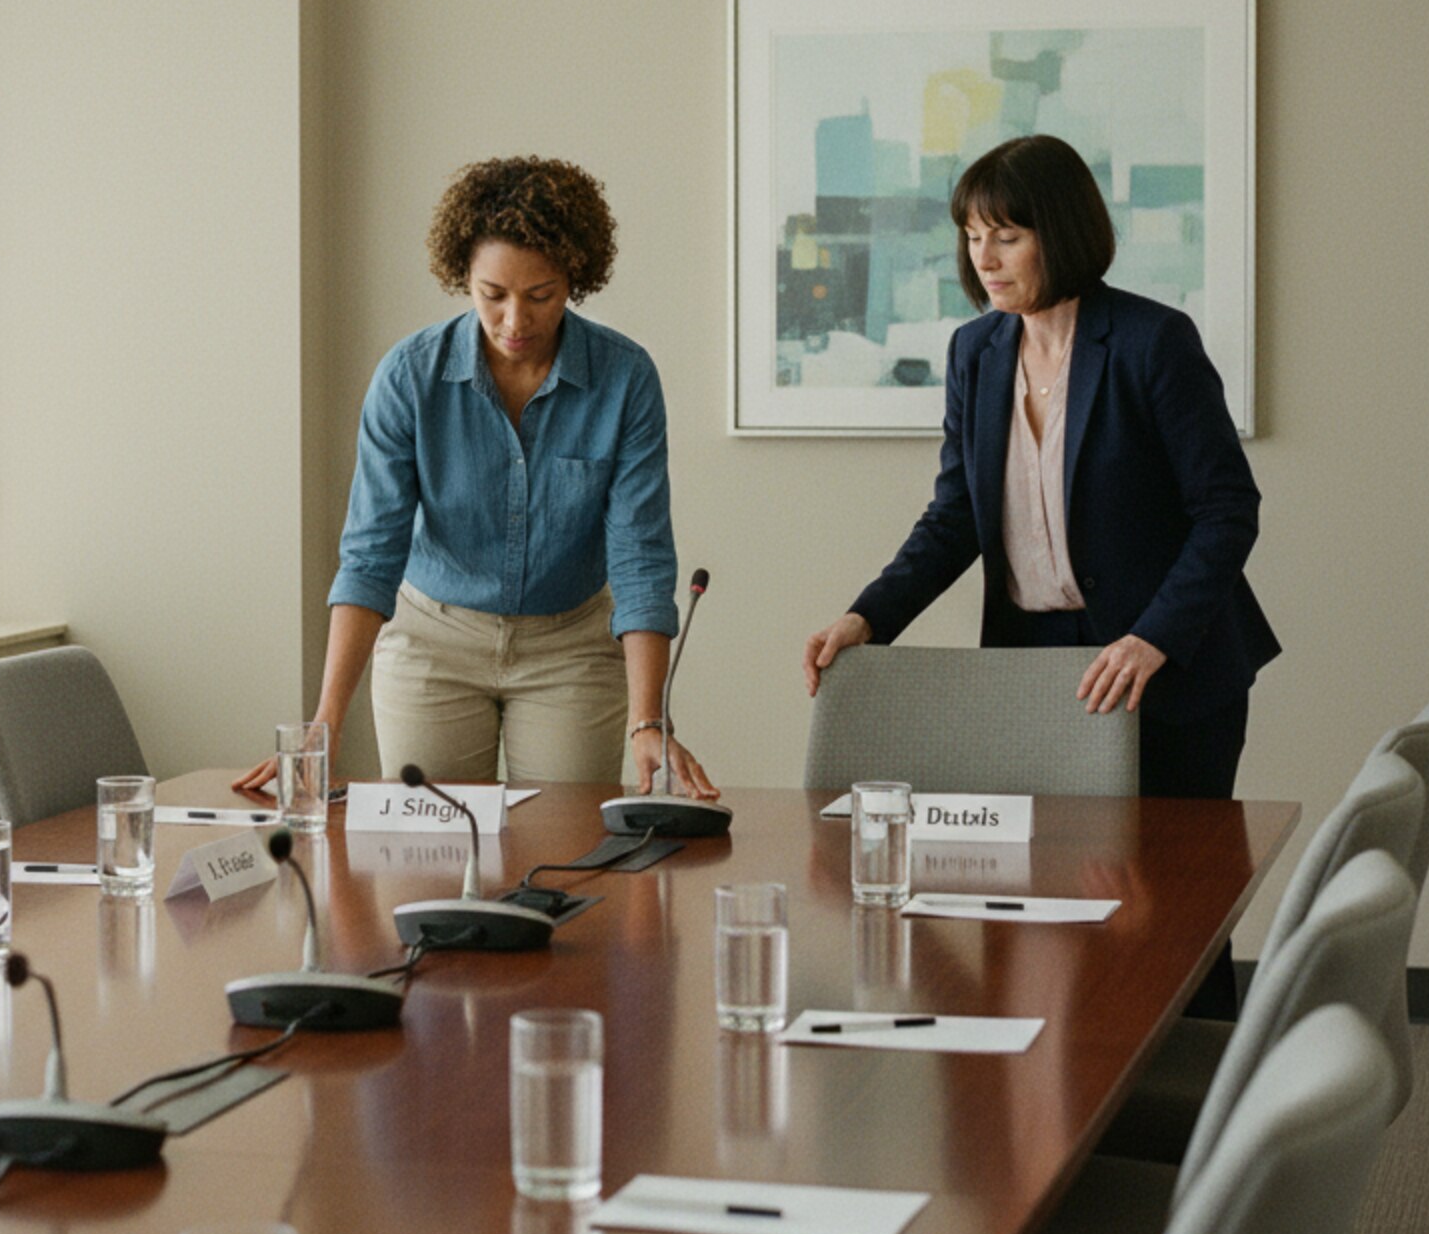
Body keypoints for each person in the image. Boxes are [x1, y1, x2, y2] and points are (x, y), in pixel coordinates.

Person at [803, 136, 1277, 1006]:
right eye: (973, 234)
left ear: (1060, 232)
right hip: (1035, 673)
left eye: (1008, 234)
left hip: (1166, 666)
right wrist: (866, 618)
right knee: (1049, 901)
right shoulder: (975, 353)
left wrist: (1154, 637)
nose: (983, 256)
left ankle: (1207, 1112)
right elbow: (955, 520)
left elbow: (1226, 510)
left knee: (1175, 912)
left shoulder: (1150, 341)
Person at [238, 156, 718, 799]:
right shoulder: (409, 378)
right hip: (432, 643)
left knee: (563, 854)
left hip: (570, 646)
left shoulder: (626, 379)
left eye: (540, 295)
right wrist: (325, 721)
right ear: (462, 275)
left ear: (574, 277)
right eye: (493, 295)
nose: (515, 321)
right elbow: (371, 554)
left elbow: (640, 558)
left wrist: (647, 720)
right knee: (427, 863)